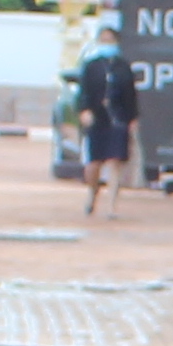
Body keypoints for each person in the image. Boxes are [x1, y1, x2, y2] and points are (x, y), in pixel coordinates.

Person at [72, 31, 136, 213]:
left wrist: (132, 118)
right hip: (97, 119)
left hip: (118, 119)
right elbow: (83, 92)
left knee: (115, 162)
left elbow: (130, 95)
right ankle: (93, 192)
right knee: (94, 164)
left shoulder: (123, 67)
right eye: (104, 41)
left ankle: (112, 206)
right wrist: (84, 111)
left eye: (111, 41)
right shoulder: (91, 67)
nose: (107, 44)